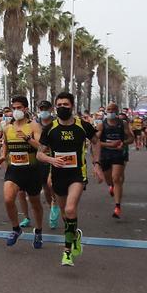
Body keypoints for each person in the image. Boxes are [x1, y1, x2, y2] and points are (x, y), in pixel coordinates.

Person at [37, 91, 98, 267]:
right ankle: (75, 234)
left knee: (71, 209)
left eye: (66, 104)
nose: (62, 107)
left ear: (72, 105)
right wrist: (51, 160)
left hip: (77, 174)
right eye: (59, 105)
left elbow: (96, 142)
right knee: (65, 213)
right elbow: (40, 154)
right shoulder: (50, 129)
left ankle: (67, 252)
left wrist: (97, 163)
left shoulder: (83, 126)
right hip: (58, 175)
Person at [0, 96, 45, 249]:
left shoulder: (34, 126)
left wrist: (27, 138)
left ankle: (38, 231)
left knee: (35, 203)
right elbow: (5, 143)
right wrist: (3, 155)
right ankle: (16, 229)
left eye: (19, 108)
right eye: (14, 108)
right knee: (8, 199)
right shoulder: (7, 127)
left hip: (32, 170)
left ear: (26, 109)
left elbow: (42, 147)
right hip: (14, 169)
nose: (16, 111)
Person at [95, 102, 130, 218]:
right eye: (108, 110)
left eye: (113, 110)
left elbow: (131, 138)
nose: (110, 112)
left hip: (118, 154)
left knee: (117, 179)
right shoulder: (101, 125)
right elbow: (96, 141)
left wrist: (122, 143)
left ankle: (117, 206)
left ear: (117, 111)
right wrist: (109, 144)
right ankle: (110, 186)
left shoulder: (122, 123)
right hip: (105, 155)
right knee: (109, 180)